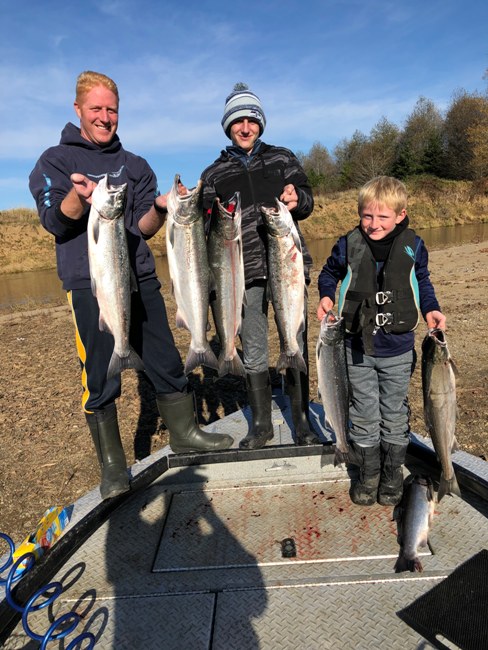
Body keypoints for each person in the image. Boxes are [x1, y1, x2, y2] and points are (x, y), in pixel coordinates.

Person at [29, 71, 233, 501]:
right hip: (91, 285)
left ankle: (184, 433)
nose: (105, 117)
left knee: (164, 359)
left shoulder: (137, 165)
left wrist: (161, 208)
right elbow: (53, 220)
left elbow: (141, 227)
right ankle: (113, 466)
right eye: (96, 109)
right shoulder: (55, 161)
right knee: (99, 379)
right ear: (78, 110)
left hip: (139, 278)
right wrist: (78, 199)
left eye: (112, 110)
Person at [201, 83, 318, 450]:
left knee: (295, 339)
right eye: (238, 121)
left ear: (260, 124)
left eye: (252, 120)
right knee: (252, 348)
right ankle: (263, 424)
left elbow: (307, 201)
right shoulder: (215, 173)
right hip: (242, 272)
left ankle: (301, 421)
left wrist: (298, 199)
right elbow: (206, 226)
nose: (246, 127)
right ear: (228, 127)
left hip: (288, 266)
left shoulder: (283, 158)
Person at [317, 176, 446, 507]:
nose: (373, 224)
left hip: (398, 349)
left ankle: (390, 476)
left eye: (382, 217)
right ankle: (368, 474)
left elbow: (423, 281)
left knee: (393, 412)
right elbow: (328, 274)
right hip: (355, 347)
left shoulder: (413, 245)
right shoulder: (347, 244)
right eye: (367, 216)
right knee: (362, 411)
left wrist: (431, 309)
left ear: (401, 215)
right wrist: (326, 297)